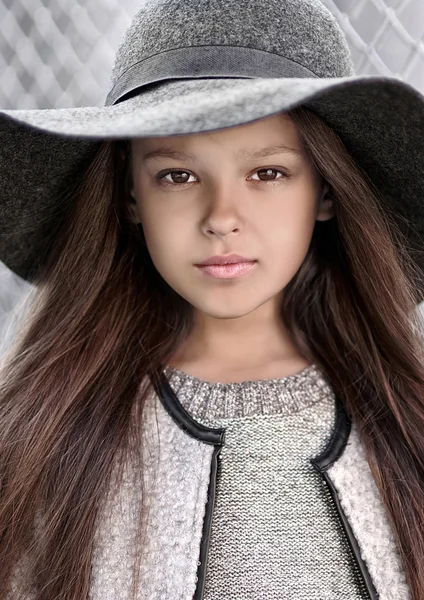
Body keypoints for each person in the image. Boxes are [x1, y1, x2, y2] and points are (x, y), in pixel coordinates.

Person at [0, 0, 423, 598]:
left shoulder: (404, 412)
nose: (222, 217)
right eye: (178, 175)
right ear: (129, 197)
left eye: (267, 174)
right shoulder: (48, 428)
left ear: (326, 191)